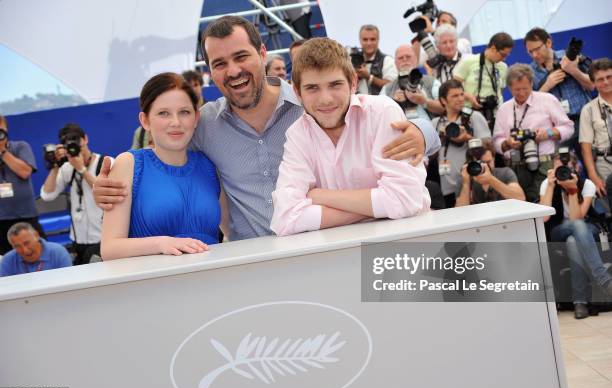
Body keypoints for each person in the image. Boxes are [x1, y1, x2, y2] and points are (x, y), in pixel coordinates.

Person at [94, 16, 440, 241]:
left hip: (336, 250)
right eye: (220, 63)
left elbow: (375, 114)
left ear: (262, 53)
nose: (233, 71)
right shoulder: (205, 126)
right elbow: (163, 147)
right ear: (209, 71)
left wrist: (423, 131)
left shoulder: (311, 104)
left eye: (241, 56)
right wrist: (114, 181)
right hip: (256, 263)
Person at [270, 38, 430, 236]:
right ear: (297, 92)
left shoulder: (381, 113)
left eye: (335, 85)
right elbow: (285, 220)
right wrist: (373, 210)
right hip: (342, 257)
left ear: (353, 82)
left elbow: (405, 200)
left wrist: (322, 196)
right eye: (312, 88)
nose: (325, 99)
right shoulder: (297, 134)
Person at [100, 73, 221, 260]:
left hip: (212, 282)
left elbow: (230, 230)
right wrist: (162, 243)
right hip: (154, 286)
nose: (176, 122)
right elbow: (110, 249)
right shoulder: (128, 164)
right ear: (145, 120)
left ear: (196, 118)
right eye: (163, 113)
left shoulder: (209, 165)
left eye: (184, 112)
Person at [539, 152, 612, 319]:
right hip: (558, 230)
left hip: (586, 229)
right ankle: (603, 279)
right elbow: (544, 217)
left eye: (566, 169)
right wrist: (551, 186)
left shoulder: (586, 185)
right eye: (559, 169)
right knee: (574, 230)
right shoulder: (547, 183)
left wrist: (572, 190)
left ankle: (579, 302)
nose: (562, 174)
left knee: (574, 240)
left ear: (576, 169)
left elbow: (576, 218)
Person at [493, 63, 574, 202]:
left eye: (525, 88)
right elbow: (496, 142)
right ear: (509, 87)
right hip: (516, 166)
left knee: (548, 206)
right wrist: (508, 143)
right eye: (516, 89)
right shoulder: (504, 109)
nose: (522, 93)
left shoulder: (547, 100)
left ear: (531, 83)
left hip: (545, 164)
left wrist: (547, 134)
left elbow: (568, 127)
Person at [40, 124, 107, 264]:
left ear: (86, 139)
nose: (74, 145)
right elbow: (47, 195)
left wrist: (81, 169)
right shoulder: (67, 168)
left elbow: (106, 191)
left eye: (76, 140)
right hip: (78, 240)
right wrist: (55, 165)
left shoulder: (105, 162)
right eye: (68, 142)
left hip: (103, 239)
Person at [525, 28, 594, 156]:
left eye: (537, 49)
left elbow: (592, 85)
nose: (534, 55)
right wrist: (547, 85)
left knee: (595, 164)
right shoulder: (529, 72)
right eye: (530, 52)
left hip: (584, 120)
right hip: (558, 129)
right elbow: (529, 105)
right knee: (562, 169)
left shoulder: (569, 56)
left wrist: (573, 70)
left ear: (549, 43)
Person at [432, 80, 491, 208]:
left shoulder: (474, 117)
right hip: (445, 186)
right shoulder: (436, 122)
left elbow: (489, 145)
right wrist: (443, 136)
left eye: (462, 94)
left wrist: (467, 138)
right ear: (443, 100)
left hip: (472, 183)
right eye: (454, 96)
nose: (460, 99)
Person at [0, 114, 46, 255]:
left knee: (40, 254)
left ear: (6, 130)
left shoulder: (20, 147)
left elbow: (25, 172)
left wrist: (2, 151)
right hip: (1, 219)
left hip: (27, 215)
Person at [454, 32, 514, 130]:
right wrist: (468, 96)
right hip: (470, 113)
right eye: (503, 55)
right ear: (493, 48)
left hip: (495, 116)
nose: (504, 58)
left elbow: (500, 91)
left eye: (507, 55)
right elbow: (453, 87)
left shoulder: (503, 67)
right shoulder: (469, 61)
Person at [380, 44, 444, 120]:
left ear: (416, 59)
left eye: (408, 57)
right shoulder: (387, 89)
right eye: (401, 58)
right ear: (395, 63)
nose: (404, 60)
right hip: (400, 129)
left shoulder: (431, 82)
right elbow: (380, 116)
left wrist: (424, 101)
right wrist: (395, 104)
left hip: (429, 128)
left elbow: (446, 109)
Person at [579, 58, 612, 200]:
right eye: (600, 79)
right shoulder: (588, 110)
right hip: (604, 164)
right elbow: (585, 148)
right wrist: (594, 177)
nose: (605, 82)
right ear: (593, 83)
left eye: (609, 77)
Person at [455, 139, 525, 206]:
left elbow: (520, 198)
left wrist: (491, 180)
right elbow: (460, 212)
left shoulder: (505, 173)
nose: (484, 166)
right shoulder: (464, 178)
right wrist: (466, 183)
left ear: (494, 158)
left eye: (488, 162)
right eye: (479, 163)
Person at [0, 222, 71, 276]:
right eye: (17, 246)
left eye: (26, 243)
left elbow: (68, 282)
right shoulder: (8, 260)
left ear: (36, 236)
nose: (25, 250)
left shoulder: (58, 253)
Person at [355, 24, 397, 95]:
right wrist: (355, 76)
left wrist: (369, 77)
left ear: (378, 40)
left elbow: (392, 85)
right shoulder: (351, 60)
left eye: (372, 39)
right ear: (360, 40)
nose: (369, 43)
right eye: (365, 39)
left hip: (380, 104)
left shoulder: (387, 60)